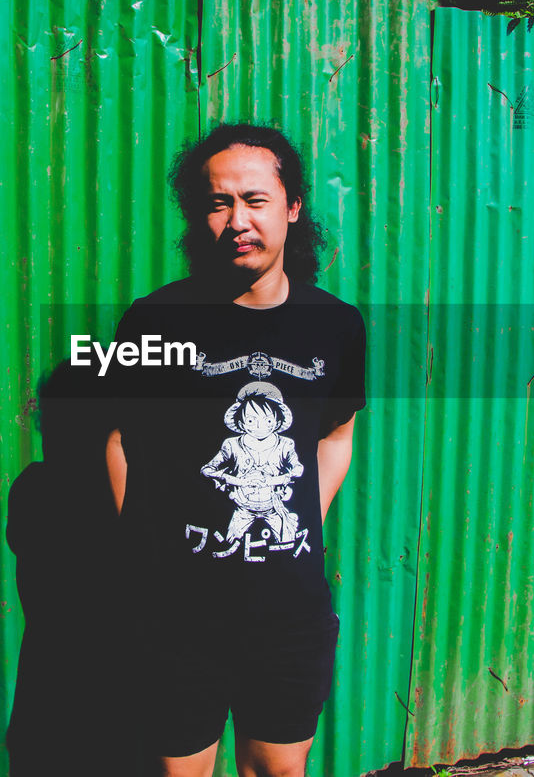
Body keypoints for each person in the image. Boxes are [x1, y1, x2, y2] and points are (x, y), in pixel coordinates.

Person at [105, 123, 366, 777]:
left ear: (292, 206)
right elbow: (118, 438)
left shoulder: (336, 325)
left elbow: (336, 433)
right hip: (179, 615)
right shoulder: (154, 320)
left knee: (278, 771)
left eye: (255, 199)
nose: (237, 219)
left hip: (289, 614)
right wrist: (141, 546)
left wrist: (306, 516)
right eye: (218, 202)